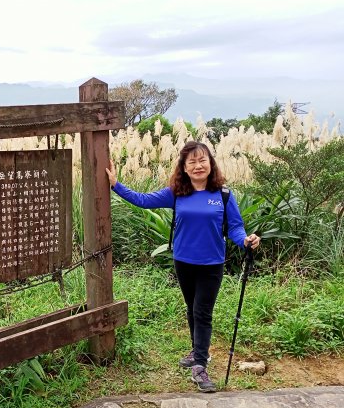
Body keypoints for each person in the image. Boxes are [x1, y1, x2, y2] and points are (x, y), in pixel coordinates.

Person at [106, 141, 260, 393]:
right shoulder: (176, 193)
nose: (198, 166)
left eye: (203, 161)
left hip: (212, 264)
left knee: (202, 312)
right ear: (184, 168)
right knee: (192, 308)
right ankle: (196, 350)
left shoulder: (223, 195)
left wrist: (245, 240)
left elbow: (234, 227)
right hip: (184, 262)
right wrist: (116, 185)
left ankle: (200, 364)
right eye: (192, 162)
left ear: (211, 164)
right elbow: (143, 200)